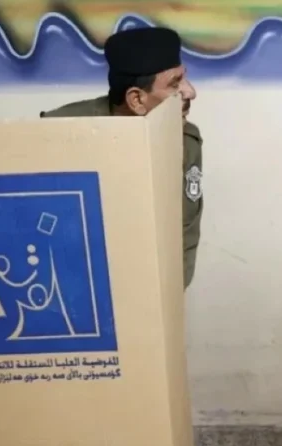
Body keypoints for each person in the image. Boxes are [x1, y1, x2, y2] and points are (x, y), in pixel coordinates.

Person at [40, 27, 203, 290]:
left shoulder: (185, 141)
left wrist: (166, 296)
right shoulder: (58, 133)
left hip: (148, 288)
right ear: (136, 99)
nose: (191, 92)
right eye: (175, 84)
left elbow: (184, 234)